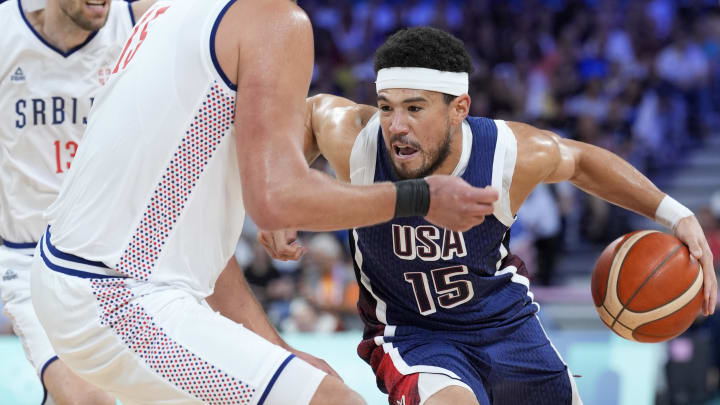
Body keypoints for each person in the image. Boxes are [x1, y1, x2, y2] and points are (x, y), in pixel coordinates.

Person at [28, 1, 497, 404]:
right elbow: (276, 200)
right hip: (116, 299)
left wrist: (275, 348)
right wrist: (420, 197)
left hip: (68, 278)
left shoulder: (174, 10)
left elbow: (188, 236)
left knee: (297, 386)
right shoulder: (275, 20)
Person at [258, 26, 717, 405]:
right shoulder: (360, 143)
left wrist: (677, 215)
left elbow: (582, 161)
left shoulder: (506, 154)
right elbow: (313, 113)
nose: (396, 125)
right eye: (386, 107)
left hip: (505, 322)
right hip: (413, 331)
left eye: (415, 108)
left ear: (459, 109)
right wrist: (278, 191)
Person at [0, 0, 157, 403]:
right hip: (29, 260)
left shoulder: (140, 22)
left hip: (119, 262)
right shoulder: (5, 33)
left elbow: (241, 27)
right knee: (89, 400)